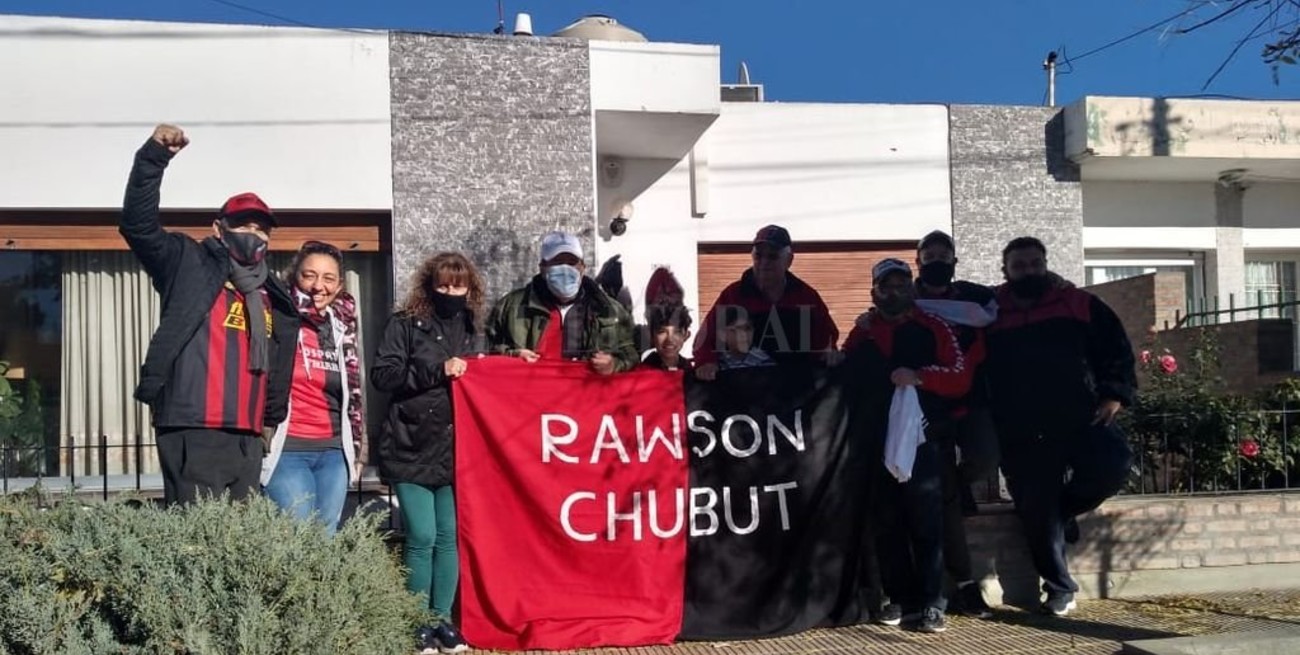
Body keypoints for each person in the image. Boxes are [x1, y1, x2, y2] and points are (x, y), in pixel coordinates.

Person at [120, 123, 298, 506]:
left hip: (248, 433)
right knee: (196, 544)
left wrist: (270, 420)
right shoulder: (187, 261)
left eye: (262, 228)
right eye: (243, 224)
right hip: (193, 424)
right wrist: (153, 157)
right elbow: (137, 225)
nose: (254, 233)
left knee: (237, 547)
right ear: (219, 229)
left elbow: (279, 363)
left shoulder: (274, 293)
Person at [985, 236, 1135, 617]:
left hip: (1080, 415)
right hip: (1018, 426)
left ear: (1045, 263)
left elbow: (1115, 349)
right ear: (1006, 271)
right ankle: (1059, 588)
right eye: (1019, 266)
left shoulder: (1079, 303)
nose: (1028, 271)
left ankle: (1064, 511)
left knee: (1112, 468)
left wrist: (1113, 394)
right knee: (1036, 509)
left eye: (1035, 263)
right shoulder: (990, 310)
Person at [841, 258, 972, 635]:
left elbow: (960, 376)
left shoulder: (934, 327)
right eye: (886, 286)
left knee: (927, 524)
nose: (893, 291)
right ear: (874, 292)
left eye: (901, 284)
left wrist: (919, 378)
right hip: (876, 442)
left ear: (911, 288)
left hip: (923, 443)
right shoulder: (863, 332)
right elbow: (846, 370)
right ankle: (901, 598)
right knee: (887, 525)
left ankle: (934, 603)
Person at [371, 252, 485, 655]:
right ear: (429, 285)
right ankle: (415, 621)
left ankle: (442, 620)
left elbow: (489, 374)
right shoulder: (404, 324)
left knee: (449, 537)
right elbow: (383, 375)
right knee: (421, 535)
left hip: (456, 453)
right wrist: (437, 371)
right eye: (443, 284)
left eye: (459, 285)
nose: (451, 292)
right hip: (408, 446)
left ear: (469, 288)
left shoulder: (475, 328)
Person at [912, 230, 998, 618]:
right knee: (944, 500)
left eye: (943, 255)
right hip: (931, 408)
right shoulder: (907, 300)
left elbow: (1001, 303)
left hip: (972, 400)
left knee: (985, 458)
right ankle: (964, 584)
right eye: (929, 255)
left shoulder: (973, 298)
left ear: (954, 260)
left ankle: (963, 486)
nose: (936, 261)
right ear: (918, 261)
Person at [259, 241, 367, 534]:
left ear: (339, 284)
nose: (318, 286)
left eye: (328, 278)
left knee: (326, 538)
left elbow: (353, 395)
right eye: (309, 275)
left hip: (333, 451)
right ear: (295, 276)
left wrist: (355, 450)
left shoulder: (341, 324)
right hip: (287, 449)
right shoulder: (277, 315)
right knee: (299, 537)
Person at [693, 225, 838, 380]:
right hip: (744, 391)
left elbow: (827, 340)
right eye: (759, 256)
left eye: (772, 256)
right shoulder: (733, 295)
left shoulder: (806, 296)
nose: (764, 262)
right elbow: (705, 339)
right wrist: (706, 362)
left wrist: (829, 355)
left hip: (796, 392)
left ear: (789, 260)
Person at [486, 231, 638, 374]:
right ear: (543, 267)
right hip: (532, 395)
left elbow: (631, 353)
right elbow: (486, 350)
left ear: (582, 268)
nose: (565, 269)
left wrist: (614, 364)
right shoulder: (511, 307)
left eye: (572, 262)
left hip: (586, 396)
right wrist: (513, 355)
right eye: (557, 262)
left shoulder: (609, 310)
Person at [640, 267, 694, 373]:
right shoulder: (640, 374)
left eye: (677, 332)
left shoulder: (693, 374)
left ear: (686, 335)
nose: (669, 340)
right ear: (651, 335)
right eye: (662, 332)